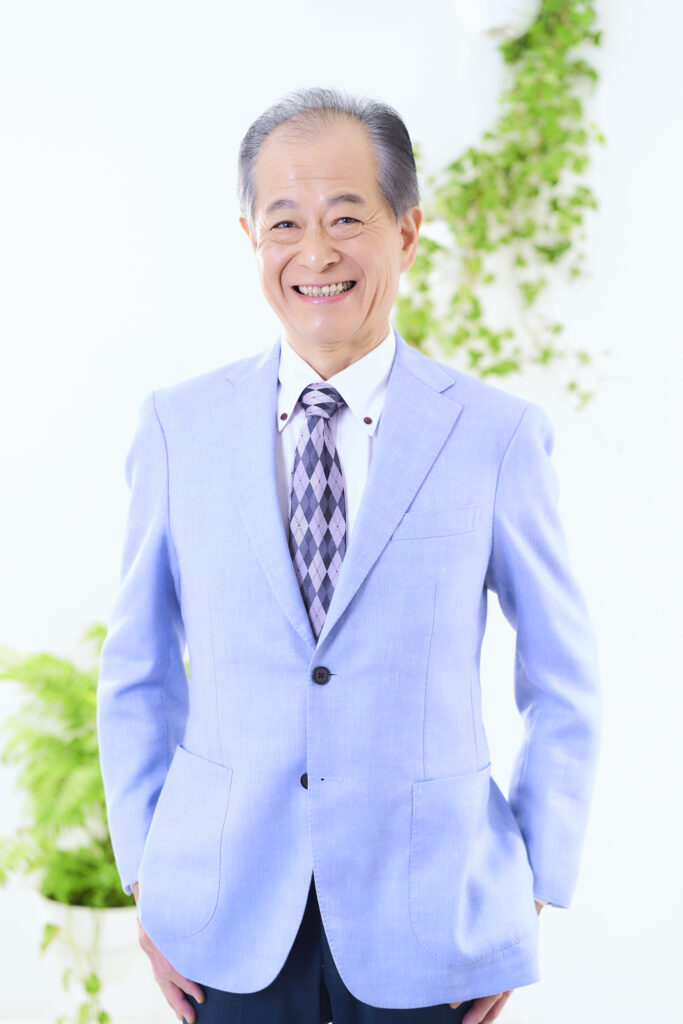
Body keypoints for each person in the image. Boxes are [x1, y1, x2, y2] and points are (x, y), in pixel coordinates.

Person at [96, 87, 601, 1024]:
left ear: (405, 232)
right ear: (251, 239)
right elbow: (136, 671)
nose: (315, 253)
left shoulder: (494, 436)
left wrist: (522, 895)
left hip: (433, 919)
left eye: (345, 217)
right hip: (223, 915)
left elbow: (562, 682)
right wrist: (147, 878)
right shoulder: (176, 428)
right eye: (284, 222)